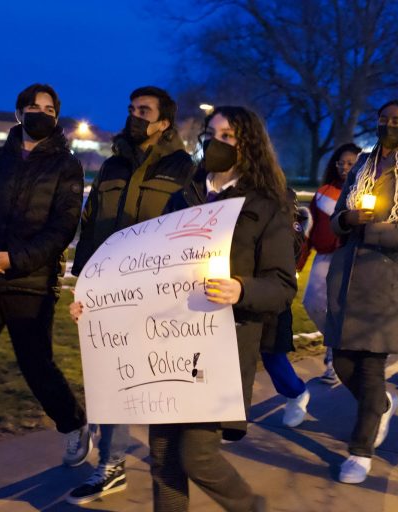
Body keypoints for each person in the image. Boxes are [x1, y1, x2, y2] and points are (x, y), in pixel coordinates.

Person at [145, 105, 294, 511]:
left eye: (228, 136)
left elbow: (282, 286)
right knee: (161, 456)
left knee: (197, 455)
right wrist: (102, 304)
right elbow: (151, 265)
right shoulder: (183, 197)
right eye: (212, 133)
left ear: (249, 146)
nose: (216, 142)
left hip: (221, 348)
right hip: (170, 342)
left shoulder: (267, 204)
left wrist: (240, 289)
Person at [67, 86, 195, 504]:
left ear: (163, 123)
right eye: (131, 108)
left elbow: (191, 231)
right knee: (107, 379)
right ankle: (112, 458)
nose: (134, 115)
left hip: (151, 294)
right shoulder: (112, 165)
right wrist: (82, 281)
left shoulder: (183, 169)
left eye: (144, 110)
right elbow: (90, 225)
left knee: (138, 381)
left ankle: (132, 461)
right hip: (104, 293)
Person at [326, 99, 398, 484]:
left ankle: (360, 452)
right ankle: (381, 406)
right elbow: (338, 216)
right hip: (349, 276)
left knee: (371, 366)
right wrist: (348, 219)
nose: (388, 125)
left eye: (397, 121)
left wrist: (372, 229)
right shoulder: (363, 163)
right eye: (382, 119)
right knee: (342, 363)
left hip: (389, 280)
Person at [0, 83, 91, 467]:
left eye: (47, 108)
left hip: (31, 283)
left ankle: (74, 424)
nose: (39, 113)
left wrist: (15, 259)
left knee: (36, 365)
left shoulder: (67, 166)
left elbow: (62, 228)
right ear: (19, 112)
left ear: (56, 118)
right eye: (32, 106)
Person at [303, 142, 361, 384]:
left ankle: (335, 360)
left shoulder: (366, 193)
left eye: (351, 163)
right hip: (324, 256)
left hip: (352, 258)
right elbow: (310, 228)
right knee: (313, 303)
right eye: (341, 163)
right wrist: (298, 260)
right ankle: (339, 345)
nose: (344, 167)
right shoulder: (324, 191)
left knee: (343, 309)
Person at [259, 187, 313, 428]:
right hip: (238, 292)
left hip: (272, 296)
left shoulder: (288, 219)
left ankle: (296, 392)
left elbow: (291, 248)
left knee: (271, 354)